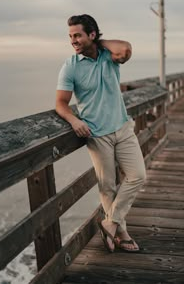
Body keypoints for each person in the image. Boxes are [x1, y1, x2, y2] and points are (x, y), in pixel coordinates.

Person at [56, 14, 146, 253]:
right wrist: (74, 120)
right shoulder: (70, 67)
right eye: (71, 36)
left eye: (78, 35)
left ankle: (110, 222)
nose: (73, 40)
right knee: (107, 186)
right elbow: (61, 104)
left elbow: (125, 49)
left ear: (92, 34)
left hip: (122, 128)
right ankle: (121, 233)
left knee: (138, 175)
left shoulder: (109, 56)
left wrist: (99, 43)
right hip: (97, 135)